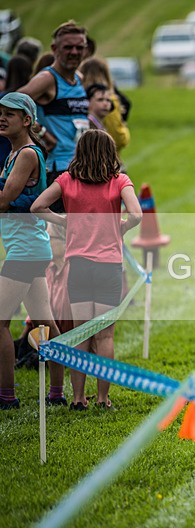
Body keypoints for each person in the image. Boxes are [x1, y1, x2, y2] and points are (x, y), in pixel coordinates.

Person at [31, 129, 142, 410]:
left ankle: (78, 398)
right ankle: (103, 398)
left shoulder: (67, 180)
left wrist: (65, 222)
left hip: (78, 265)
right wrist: (123, 227)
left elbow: (37, 206)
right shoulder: (119, 181)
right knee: (104, 334)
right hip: (109, 266)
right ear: (110, 153)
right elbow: (137, 214)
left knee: (81, 333)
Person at [0, 92, 64, 409]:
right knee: (44, 322)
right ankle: (57, 393)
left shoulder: (26, 154)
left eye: (9, 114)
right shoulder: (14, 154)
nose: (1, 117)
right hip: (29, 247)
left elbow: (4, 200)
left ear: (26, 120)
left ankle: (7, 396)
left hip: (25, 251)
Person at [19, 21, 90, 213]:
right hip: (58, 169)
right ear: (54, 49)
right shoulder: (47, 79)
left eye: (79, 47)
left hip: (81, 166)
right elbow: (13, 105)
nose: (74, 52)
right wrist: (40, 131)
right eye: (68, 47)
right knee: (62, 233)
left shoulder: (79, 78)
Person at [79, 58, 130, 155]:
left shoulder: (77, 97)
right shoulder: (110, 97)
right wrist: (125, 132)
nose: (106, 103)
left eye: (107, 101)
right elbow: (118, 138)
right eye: (101, 100)